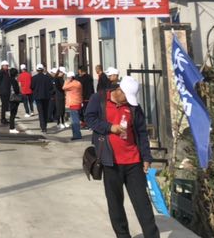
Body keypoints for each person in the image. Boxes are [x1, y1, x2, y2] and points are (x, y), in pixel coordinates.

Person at [84, 76, 159, 238]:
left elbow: (142, 132)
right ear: (119, 91)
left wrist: (146, 157)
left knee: (143, 203)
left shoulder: (133, 107)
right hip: (110, 162)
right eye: (126, 98)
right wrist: (110, 127)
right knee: (115, 204)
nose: (127, 102)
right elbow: (89, 119)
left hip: (133, 161)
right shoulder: (99, 99)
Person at [30, 64, 54, 134]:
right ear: (43, 69)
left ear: (37, 70)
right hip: (46, 96)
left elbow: (31, 87)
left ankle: (43, 127)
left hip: (38, 97)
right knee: (45, 111)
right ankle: (45, 126)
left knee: (40, 112)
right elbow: (51, 87)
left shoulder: (34, 78)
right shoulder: (47, 77)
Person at [62, 71, 83, 140]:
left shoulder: (73, 84)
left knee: (75, 121)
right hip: (77, 103)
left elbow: (64, 87)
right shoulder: (78, 83)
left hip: (73, 103)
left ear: (71, 77)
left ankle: (77, 135)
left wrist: (67, 81)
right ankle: (76, 134)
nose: (67, 79)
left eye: (68, 77)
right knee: (75, 120)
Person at [7, 68, 21, 134]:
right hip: (14, 98)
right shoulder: (14, 81)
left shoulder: (8, 80)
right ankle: (12, 128)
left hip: (9, 97)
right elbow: (16, 90)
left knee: (12, 113)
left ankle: (12, 127)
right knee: (13, 113)